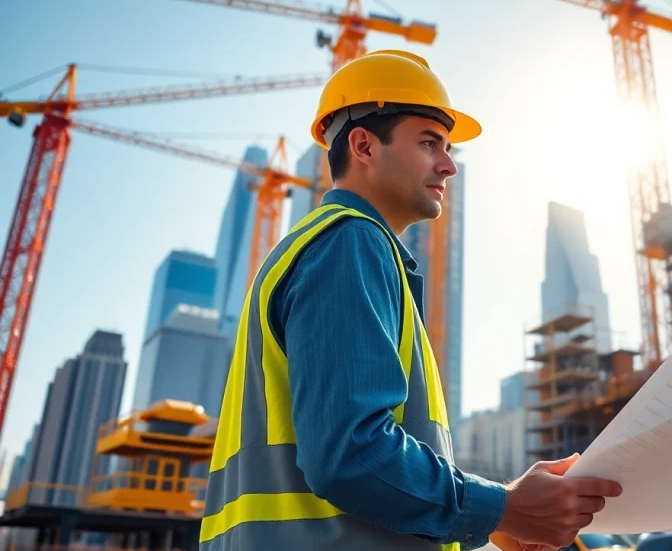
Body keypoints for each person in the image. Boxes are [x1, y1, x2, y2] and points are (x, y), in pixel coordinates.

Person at [198, 49, 622, 551]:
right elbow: (351, 455)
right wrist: (505, 506)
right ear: (363, 146)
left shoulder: (328, 247)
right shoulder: (349, 242)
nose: (449, 166)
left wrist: (498, 522)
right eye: (429, 143)